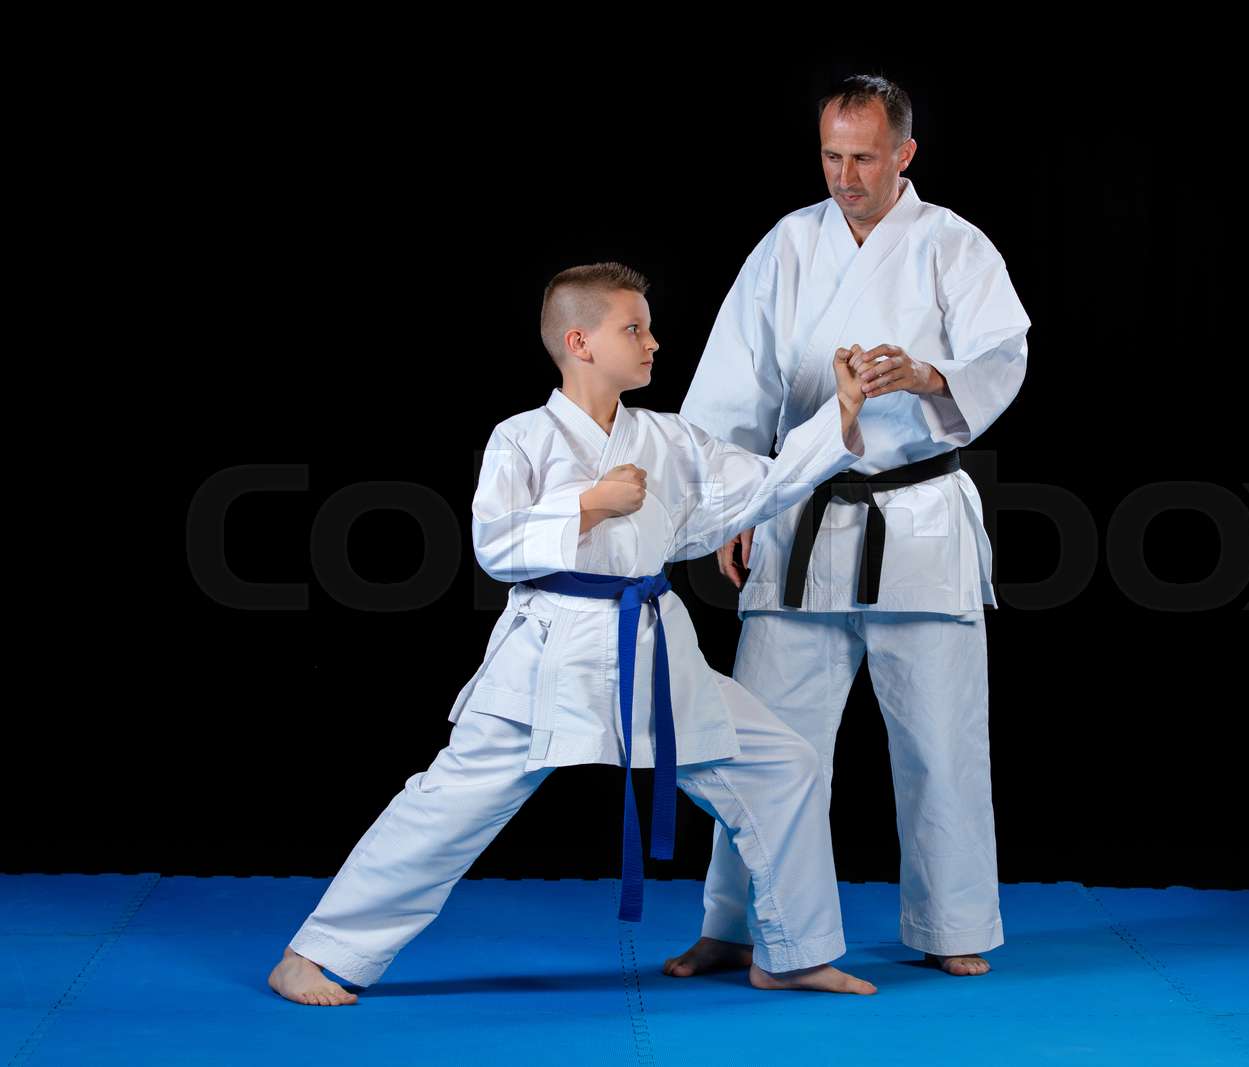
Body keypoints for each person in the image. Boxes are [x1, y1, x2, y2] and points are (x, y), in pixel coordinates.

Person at [268, 262, 880, 1005]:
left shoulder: (670, 438)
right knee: (445, 805)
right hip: (549, 651)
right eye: (635, 328)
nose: (653, 341)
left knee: (783, 765)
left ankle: (793, 951)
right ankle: (313, 953)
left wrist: (839, 416)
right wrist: (587, 505)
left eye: (649, 327)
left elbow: (761, 484)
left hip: (652, 649)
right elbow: (494, 545)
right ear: (579, 341)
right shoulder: (520, 438)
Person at [666, 75, 1029, 980]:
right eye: (831, 155)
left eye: (863, 156)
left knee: (941, 737)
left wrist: (931, 376)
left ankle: (951, 923)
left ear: (905, 153)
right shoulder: (789, 244)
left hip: (918, 513)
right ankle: (736, 923)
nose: (845, 174)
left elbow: (1001, 355)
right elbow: (733, 383)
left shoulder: (954, 244)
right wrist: (730, 505)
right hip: (799, 514)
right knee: (758, 742)